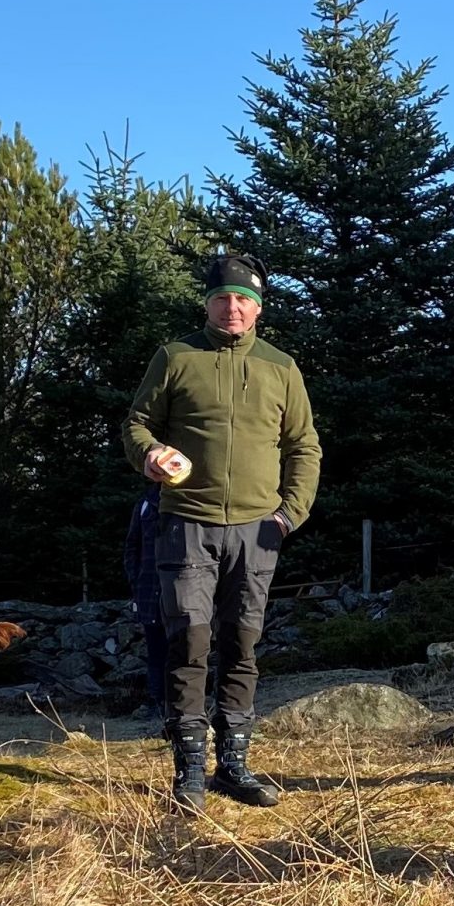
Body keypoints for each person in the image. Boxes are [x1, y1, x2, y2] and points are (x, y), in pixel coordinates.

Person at [123, 251, 322, 814]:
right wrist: (151, 453)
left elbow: (304, 446)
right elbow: (136, 423)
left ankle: (235, 764)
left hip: (258, 530)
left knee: (243, 644)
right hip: (185, 521)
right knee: (188, 640)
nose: (232, 308)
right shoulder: (175, 357)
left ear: (258, 308)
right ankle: (188, 769)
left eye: (244, 300)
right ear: (207, 302)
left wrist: (289, 514)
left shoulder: (281, 367)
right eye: (222, 298)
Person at [124, 483, 170, 719]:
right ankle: (157, 703)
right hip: (149, 589)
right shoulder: (145, 504)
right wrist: (136, 578)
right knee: (156, 651)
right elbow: (132, 545)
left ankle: (183, 704)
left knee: (186, 648)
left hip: (184, 590)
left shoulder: (190, 501)